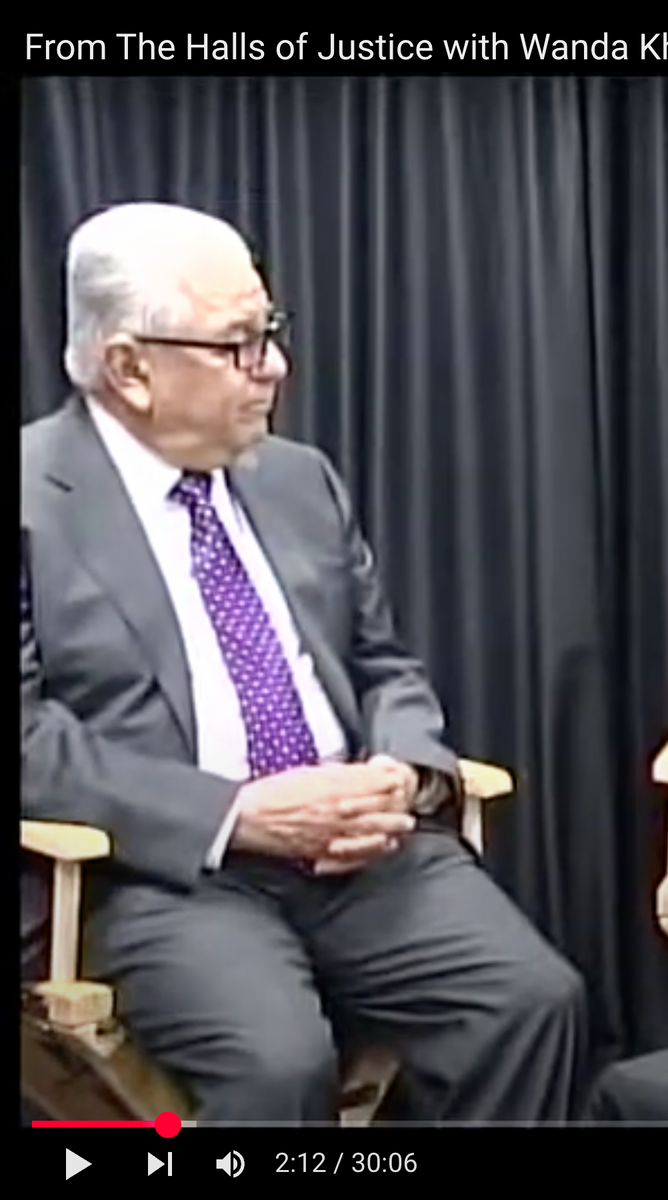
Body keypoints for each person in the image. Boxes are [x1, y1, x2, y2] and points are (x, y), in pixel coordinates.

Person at [21, 202, 587, 1124]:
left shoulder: (299, 479)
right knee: (276, 1066)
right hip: (165, 875)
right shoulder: (32, 501)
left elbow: (382, 662)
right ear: (130, 368)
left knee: (533, 1002)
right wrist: (235, 814)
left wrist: (403, 771)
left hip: (357, 850)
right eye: (238, 345)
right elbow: (27, 741)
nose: (273, 367)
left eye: (270, 333)